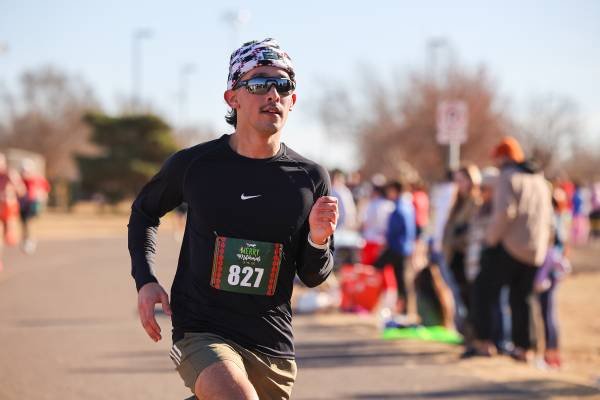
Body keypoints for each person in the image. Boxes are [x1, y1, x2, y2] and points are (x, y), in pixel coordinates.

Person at [128, 38, 338, 400]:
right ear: (232, 98)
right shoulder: (195, 165)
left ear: (293, 100)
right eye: (259, 83)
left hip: (271, 345)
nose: (272, 94)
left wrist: (318, 239)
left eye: (283, 85)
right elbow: (144, 212)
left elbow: (313, 275)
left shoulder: (310, 178)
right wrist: (145, 280)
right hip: (200, 332)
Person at [471, 136, 552, 362]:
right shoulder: (539, 179)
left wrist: (490, 240)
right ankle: (525, 348)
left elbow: (505, 212)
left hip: (511, 245)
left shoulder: (508, 177)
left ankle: (485, 341)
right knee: (522, 298)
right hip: (536, 249)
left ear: (504, 157)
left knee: (483, 289)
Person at [374, 180, 417, 315]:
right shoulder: (406, 206)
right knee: (401, 279)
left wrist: (388, 242)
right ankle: (403, 308)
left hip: (397, 247)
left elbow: (395, 230)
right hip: (403, 247)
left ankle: (401, 308)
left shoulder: (400, 208)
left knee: (396, 277)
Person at [18, 158, 51, 254]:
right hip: (22, 203)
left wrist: (42, 197)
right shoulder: (20, 180)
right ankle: (26, 239)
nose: (25, 173)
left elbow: (46, 189)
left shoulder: (38, 179)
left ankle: (30, 241)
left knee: (30, 222)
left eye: (27, 171)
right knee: (23, 223)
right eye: (23, 171)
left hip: (33, 203)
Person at [0, 153, 25, 270]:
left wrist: (12, 188)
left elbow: (22, 191)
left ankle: (11, 234)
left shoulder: (11, 174)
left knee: (9, 237)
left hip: (9, 207)